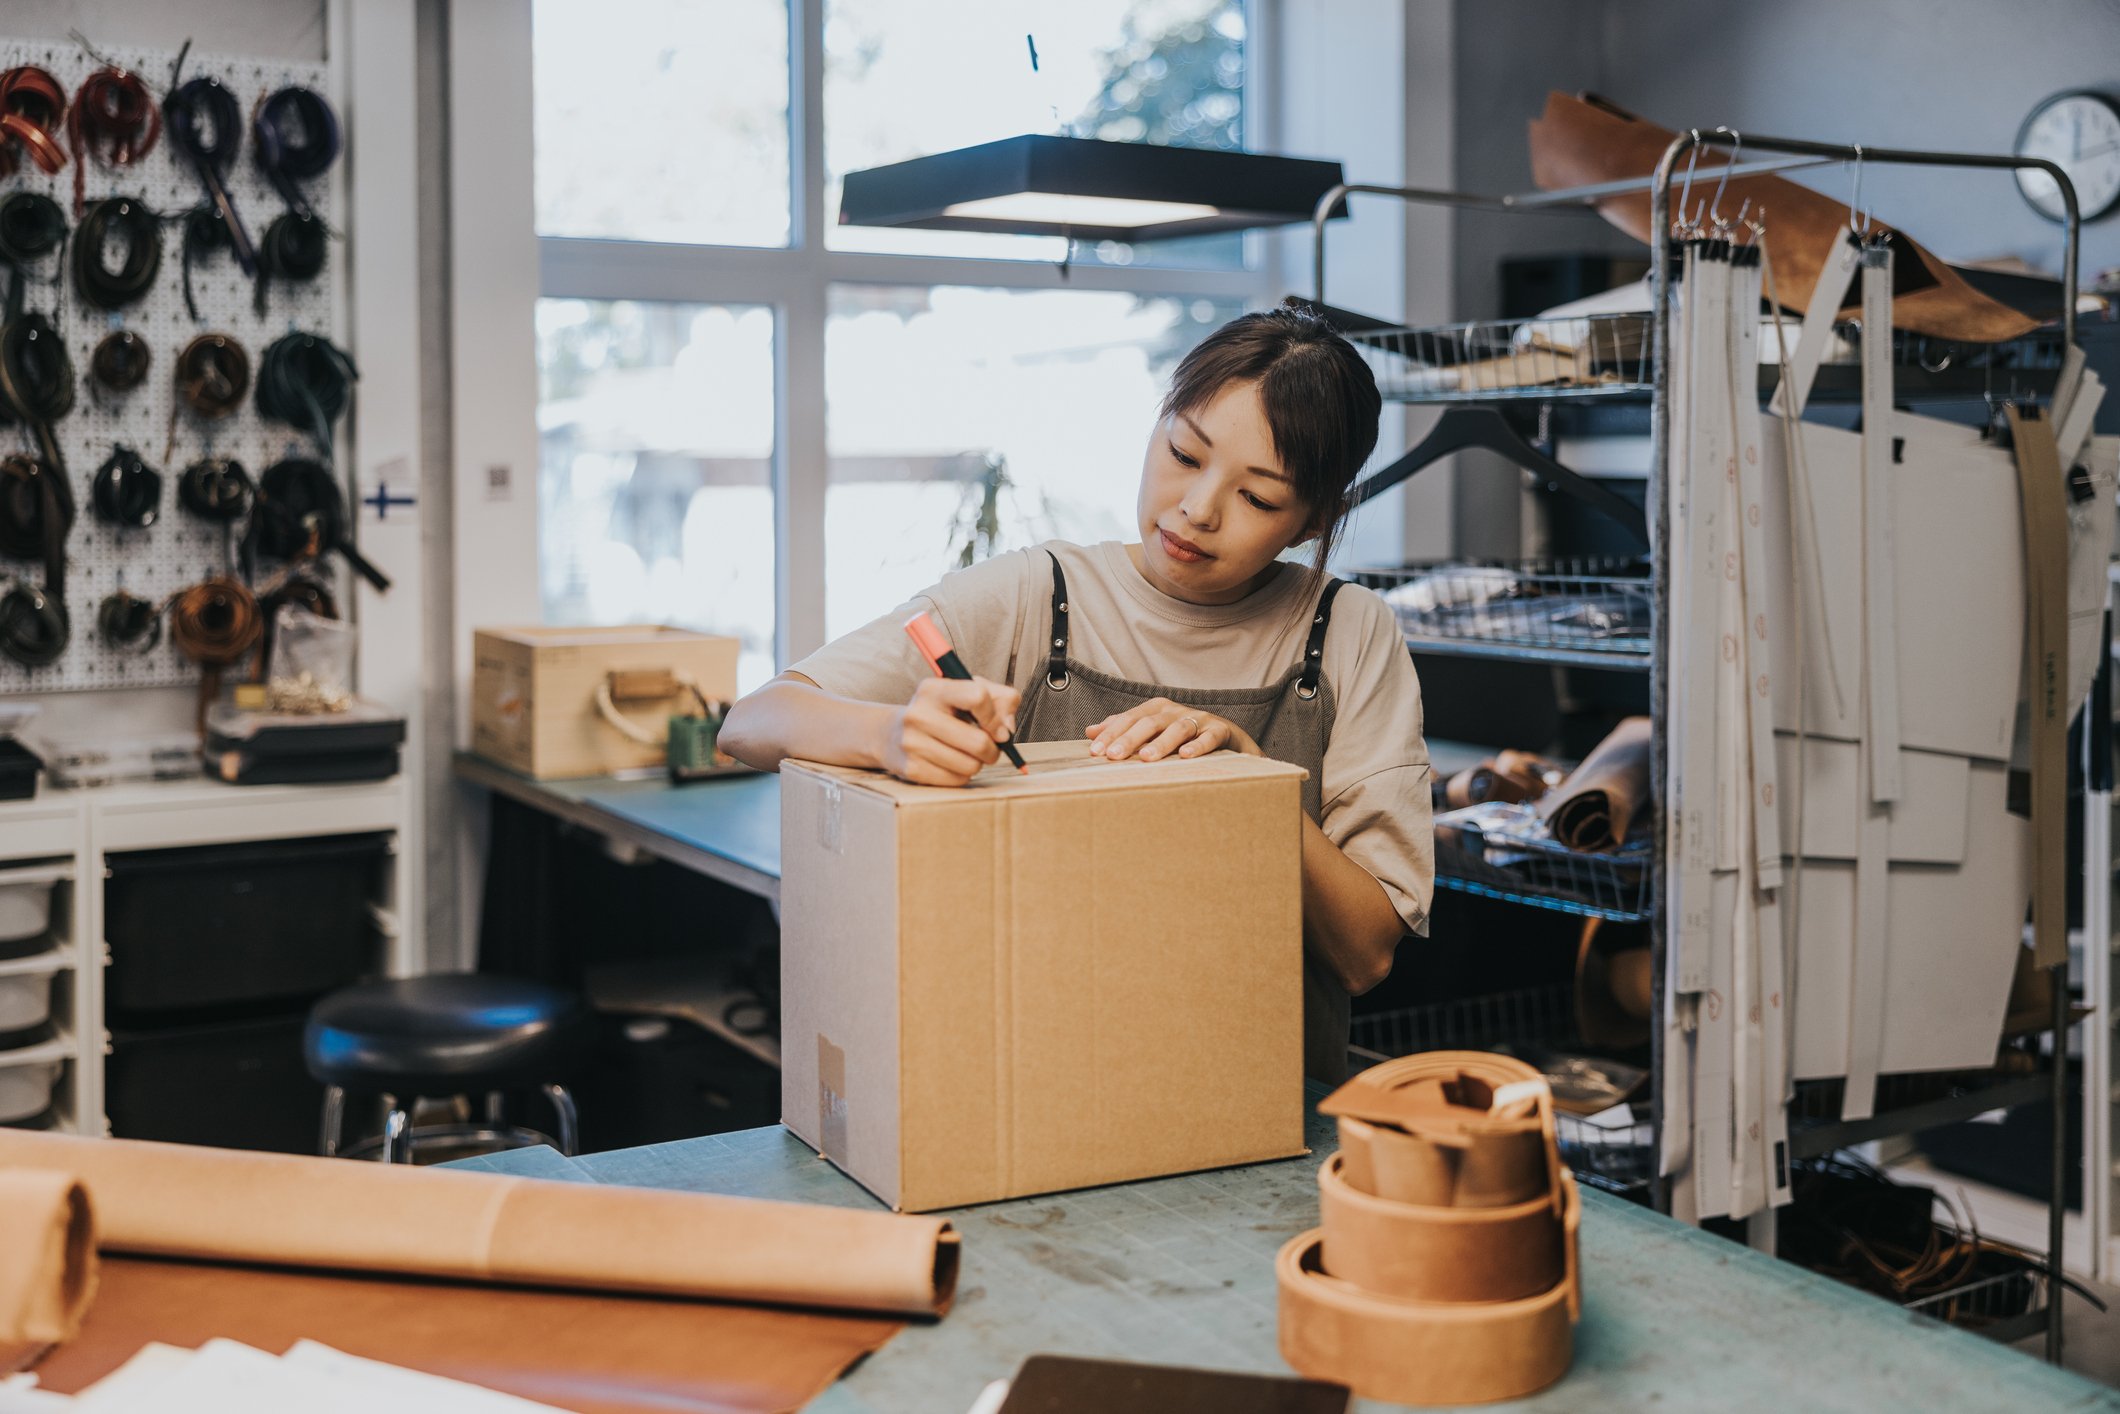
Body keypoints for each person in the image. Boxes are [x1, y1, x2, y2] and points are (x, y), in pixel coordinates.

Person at [721, 299, 1433, 1080]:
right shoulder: (1038, 594)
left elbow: (1365, 954)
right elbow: (753, 722)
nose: (1197, 510)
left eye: (1258, 498)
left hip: (1266, 1109)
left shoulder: (1351, 632)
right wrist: (888, 736)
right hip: (1039, 1093)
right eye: (1184, 454)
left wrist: (1248, 780)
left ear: (1311, 521)